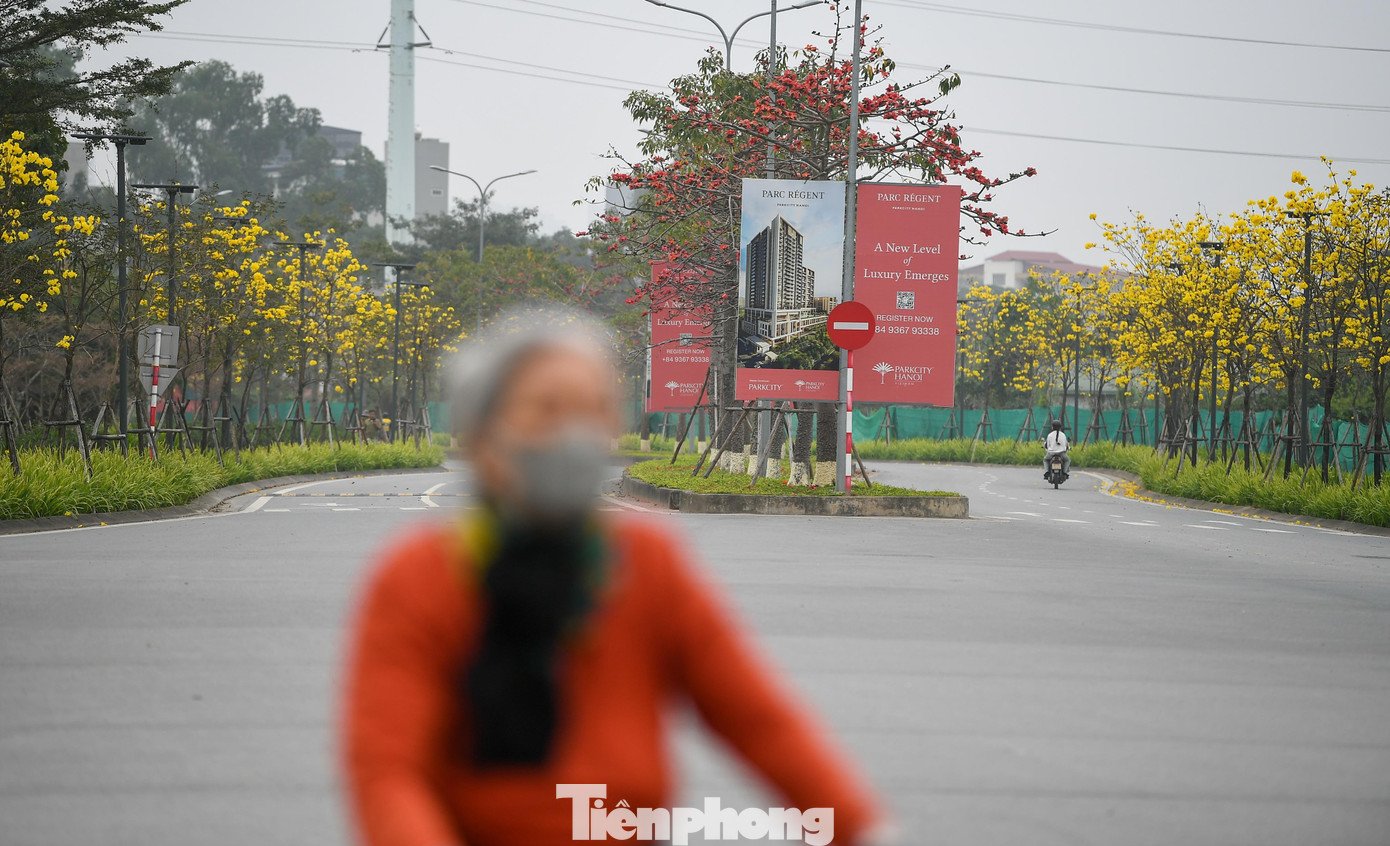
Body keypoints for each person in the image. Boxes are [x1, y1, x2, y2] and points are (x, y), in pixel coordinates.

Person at [340, 309, 890, 846]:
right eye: (547, 410)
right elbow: (388, 773)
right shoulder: (422, 578)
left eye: (592, 411)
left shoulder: (646, 564)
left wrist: (858, 826)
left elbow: (757, 720)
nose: (573, 436)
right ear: (482, 436)